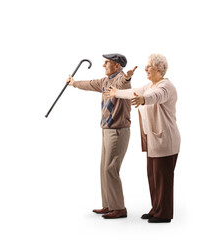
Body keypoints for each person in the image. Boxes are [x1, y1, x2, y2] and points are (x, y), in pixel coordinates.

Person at [104, 54, 180, 223]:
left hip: (165, 141)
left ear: (159, 69)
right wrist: (116, 92)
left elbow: (156, 97)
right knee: (153, 176)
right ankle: (156, 209)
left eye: (149, 66)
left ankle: (164, 214)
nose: (146, 69)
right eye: (146, 66)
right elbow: (133, 91)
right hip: (154, 141)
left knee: (163, 178)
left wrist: (144, 99)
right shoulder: (150, 85)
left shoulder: (165, 86)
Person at [66, 54, 137, 219]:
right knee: (103, 168)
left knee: (110, 168)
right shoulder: (105, 81)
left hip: (118, 130)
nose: (104, 65)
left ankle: (119, 208)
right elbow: (90, 84)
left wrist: (127, 78)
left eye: (107, 62)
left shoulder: (120, 79)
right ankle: (109, 205)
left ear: (117, 66)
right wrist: (74, 83)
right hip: (106, 129)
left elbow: (123, 84)